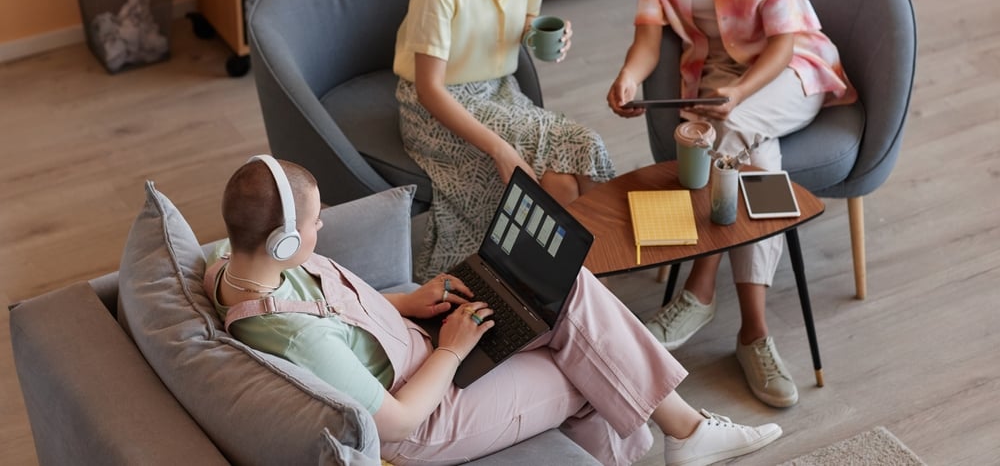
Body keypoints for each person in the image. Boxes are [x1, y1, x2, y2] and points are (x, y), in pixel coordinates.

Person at [205, 156, 784, 466]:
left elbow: (337, 317)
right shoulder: (295, 338)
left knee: (566, 293)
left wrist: (409, 301)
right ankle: (683, 433)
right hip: (429, 414)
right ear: (282, 240)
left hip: (417, 342)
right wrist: (453, 348)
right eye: (313, 222)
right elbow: (398, 423)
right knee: (585, 364)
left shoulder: (232, 265)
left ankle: (683, 431)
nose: (322, 225)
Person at [607, 0, 856, 409]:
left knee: (726, 130)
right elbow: (648, 35)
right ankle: (754, 333)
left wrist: (740, 94)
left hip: (788, 73)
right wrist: (629, 78)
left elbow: (786, 41)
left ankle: (698, 288)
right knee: (754, 157)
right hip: (719, 74)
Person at [393, 0, 614, 282]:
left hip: (499, 89)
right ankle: (571, 285)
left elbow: (525, 22)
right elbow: (428, 89)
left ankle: (573, 281)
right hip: (438, 108)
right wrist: (500, 149)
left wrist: (543, 36)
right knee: (568, 165)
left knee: (571, 165)